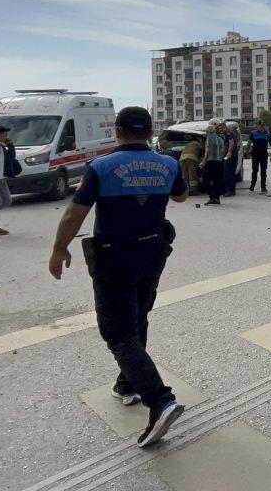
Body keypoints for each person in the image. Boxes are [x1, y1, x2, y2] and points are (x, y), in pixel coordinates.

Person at [48, 106, 188, 449]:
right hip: (154, 252)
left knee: (117, 330)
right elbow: (182, 195)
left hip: (116, 255)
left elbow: (74, 214)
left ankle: (160, 400)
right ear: (149, 130)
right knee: (138, 315)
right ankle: (128, 383)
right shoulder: (167, 163)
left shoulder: (101, 166)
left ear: (118, 131)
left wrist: (59, 248)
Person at [199, 121, 227, 205]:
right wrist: (220, 158)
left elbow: (208, 151)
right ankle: (217, 198)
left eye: (206, 132)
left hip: (211, 162)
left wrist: (203, 162)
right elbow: (223, 151)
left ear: (209, 132)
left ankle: (212, 197)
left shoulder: (210, 138)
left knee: (205, 181)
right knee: (216, 181)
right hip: (219, 162)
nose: (206, 134)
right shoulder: (220, 139)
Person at [248, 121, 271, 193]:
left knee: (263, 171)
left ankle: (263, 187)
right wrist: (247, 151)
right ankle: (252, 186)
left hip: (264, 154)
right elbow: (249, 142)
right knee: (255, 170)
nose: (261, 127)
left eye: (263, 125)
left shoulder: (267, 134)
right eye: (260, 125)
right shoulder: (253, 133)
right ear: (257, 126)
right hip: (255, 154)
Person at [222, 125, 239, 197]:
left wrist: (229, 152)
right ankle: (231, 190)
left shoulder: (229, 134)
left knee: (228, 173)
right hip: (231, 156)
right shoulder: (227, 134)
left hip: (230, 157)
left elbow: (231, 142)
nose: (221, 130)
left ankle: (230, 191)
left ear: (226, 127)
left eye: (222, 128)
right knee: (230, 173)